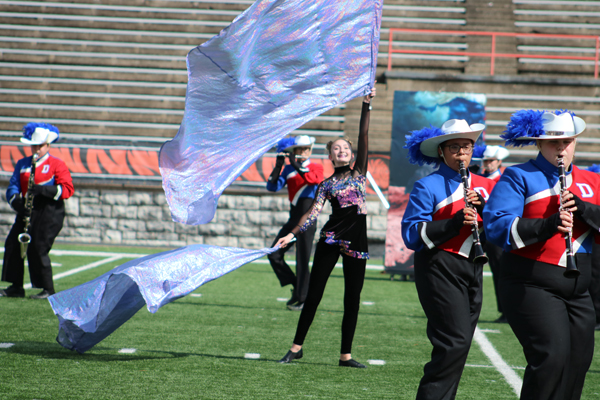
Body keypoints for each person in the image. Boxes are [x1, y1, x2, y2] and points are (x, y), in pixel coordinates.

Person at [483, 110, 599, 400]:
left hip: (579, 288)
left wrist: (583, 209)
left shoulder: (590, 180)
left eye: (567, 142)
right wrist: (548, 225)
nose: (561, 148)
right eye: (553, 142)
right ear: (539, 143)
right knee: (551, 358)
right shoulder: (519, 175)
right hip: (531, 282)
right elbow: (496, 226)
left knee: (577, 364)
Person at [276, 86, 375, 368]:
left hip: (357, 243)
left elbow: (363, 135)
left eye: (345, 148)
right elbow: (311, 212)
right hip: (331, 239)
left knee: (352, 300)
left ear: (351, 153)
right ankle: (296, 348)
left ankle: (346, 356)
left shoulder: (359, 173)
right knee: (314, 296)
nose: (342, 151)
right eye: (336, 150)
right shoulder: (326, 185)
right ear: (330, 157)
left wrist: (366, 105)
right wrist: (290, 235)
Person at [401, 119, 495, 399]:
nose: (461, 154)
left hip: (473, 266)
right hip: (439, 266)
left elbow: (503, 230)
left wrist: (486, 210)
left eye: (466, 147)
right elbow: (411, 235)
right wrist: (454, 222)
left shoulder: (485, 186)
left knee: (460, 346)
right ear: (441, 152)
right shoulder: (427, 186)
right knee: (453, 343)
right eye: (454, 147)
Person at [0, 122, 74, 299]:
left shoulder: (57, 164)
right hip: (27, 209)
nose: (36, 149)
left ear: (48, 145)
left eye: (40, 146)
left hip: (50, 211)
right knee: (13, 244)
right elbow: (13, 187)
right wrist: (17, 202)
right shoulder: (23, 164)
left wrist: (44, 190)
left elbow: (67, 189)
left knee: (38, 247)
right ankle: (16, 286)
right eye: (34, 146)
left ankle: (47, 288)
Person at [266, 135, 324, 310]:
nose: (303, 152)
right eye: (299, 149)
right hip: (293, 219)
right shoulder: (289, 169)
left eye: (306, 149)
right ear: (293, 151)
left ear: (310, 150)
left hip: (307, 220)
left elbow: (313, 180)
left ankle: (302, 298)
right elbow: (272, 187)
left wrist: (297, 165)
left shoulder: (316, 167)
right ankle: (297, 286)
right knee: (274, 253)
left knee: (302, 259)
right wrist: (278, 166)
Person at [479, 144, 511, 323]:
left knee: (500, 271)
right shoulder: (479, 178)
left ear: (499, 162)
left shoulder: (504, 180)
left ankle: (506, 311)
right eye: (486, 160)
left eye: (491, 161)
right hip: (480, 230)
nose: (488, 164)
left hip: (496, 233)